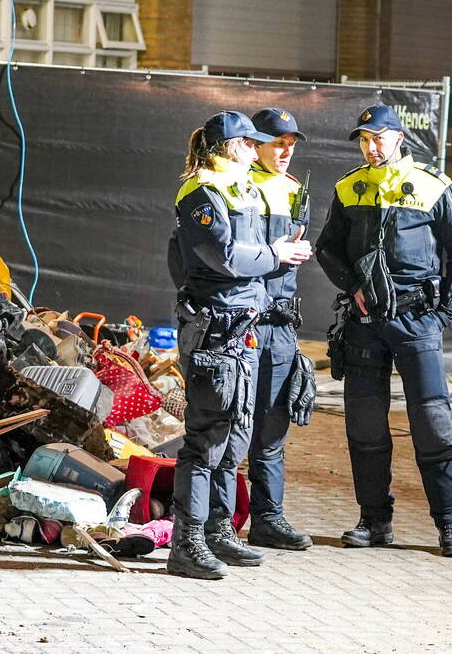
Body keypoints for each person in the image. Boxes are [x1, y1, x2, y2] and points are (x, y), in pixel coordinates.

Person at [314, 104, 452, 557]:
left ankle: (450, 524)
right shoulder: (350, 187)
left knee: (433, 424)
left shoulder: (433, 186)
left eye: (378, 138)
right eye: (364, 139)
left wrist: (444, 315)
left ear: (399, 138)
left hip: (417, 320)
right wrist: (353, 287)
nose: (370, 147)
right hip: (365, 325)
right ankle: (374, 521)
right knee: (365, 428)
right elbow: (327, 249)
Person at [167, 110, 312, 579]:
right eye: (250, 143)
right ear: (231, 147)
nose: (257, 150)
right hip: (216, 328)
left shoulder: (238, 188)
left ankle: (217, 530)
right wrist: (276, 254)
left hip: (242, 324)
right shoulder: (201, 192)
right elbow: (222, 256)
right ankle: (185, 543)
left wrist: (275, 258)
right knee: (205, 439)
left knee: (236, 434)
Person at [244, 108, 315, 551]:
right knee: (231, 429)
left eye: (292, 143)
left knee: (271, 429)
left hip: (281, 326)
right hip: (243, 324)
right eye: (278, 141)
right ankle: (216, 523)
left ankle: (268, 519)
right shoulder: (238, 186)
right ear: (256, 143)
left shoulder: (294, 191)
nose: (286, 150)